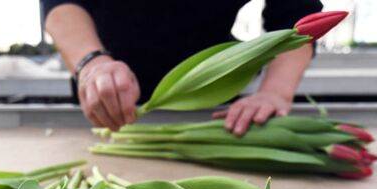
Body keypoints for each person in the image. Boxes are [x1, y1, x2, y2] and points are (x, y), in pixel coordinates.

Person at [43, 0, 323, 134]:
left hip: (210, 109)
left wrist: (275, 92)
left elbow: (296, 16)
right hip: (100, 101)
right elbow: (60, 4)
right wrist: (91, 63)